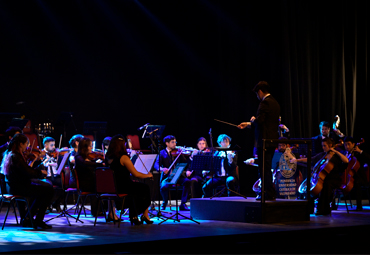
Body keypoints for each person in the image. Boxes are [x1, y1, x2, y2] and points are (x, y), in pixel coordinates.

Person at [238, 81, 280, 200]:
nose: (257, 96)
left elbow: (260, 121)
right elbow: (266, 123)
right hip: (272, 141)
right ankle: (268, 192)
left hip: (264, 141)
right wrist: (248, 124)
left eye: (257, 94)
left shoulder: (264, 103)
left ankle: (267, 193)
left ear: (260, 92)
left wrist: (252, 120)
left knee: (264, 168)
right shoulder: (275, 103)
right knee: (267, 167)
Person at [1, 133, 54, 229]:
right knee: (49, 190)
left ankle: (28, 218)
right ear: (21, 144)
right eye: (26, 144)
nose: (27, 146)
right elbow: (27, 172)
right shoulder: (16, 156)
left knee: (42, 191)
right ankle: (37, 220)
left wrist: (37, 170)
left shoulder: (10, 154)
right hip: (18, 188)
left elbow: (24, 171)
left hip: (14, 187)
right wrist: (40, 172)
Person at [292, 138, 349, 215]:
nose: (323, 148)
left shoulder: (336, 156)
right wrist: (297, 160)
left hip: (334, 179)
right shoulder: (323, 155)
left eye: (325, 146)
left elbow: (346, 161)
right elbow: (311, 159)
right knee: (310, 185)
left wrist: (335, 151)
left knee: (326, 185)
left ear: (330, 145)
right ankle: (309, 209)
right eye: (322, 146)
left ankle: (322, 209)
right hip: (323, 178)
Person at [105, 135, 153, 225]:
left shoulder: (108, 157)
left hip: (113, 187)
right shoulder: (123, 157)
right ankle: (142, 215)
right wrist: (148, 175)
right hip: (123, 187)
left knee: (137, 188)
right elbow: (136, 174)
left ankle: (137, 216)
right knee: (145, 188)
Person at [154, 135, 191, 211]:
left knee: (187, 181)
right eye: (172, 142)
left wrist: (188, 170)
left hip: (178, 175)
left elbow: (187, 162)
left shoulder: (178, 152)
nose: (175, 144)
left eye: (175, 142)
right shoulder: (162, 153)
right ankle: (165, 202)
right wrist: (162, 169)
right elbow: (156, 165)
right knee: (163, 187)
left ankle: (183, 204)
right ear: (167, 143)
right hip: (168, 176)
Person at [74, 137, 103, 217]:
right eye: (90, 146)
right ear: (85, 147)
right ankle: (97, 211)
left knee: (102, 185)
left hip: (90, 182)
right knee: (100, 187)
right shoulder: (78, 157)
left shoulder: (87, 157)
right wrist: (99, 164)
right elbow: (85, 163)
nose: (91, 148)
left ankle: (103, 210)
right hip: (85, 184)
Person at [342, 136, 370, 211]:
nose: (347, 147)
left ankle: (359, 206)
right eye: (345, 145)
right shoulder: (344, 154)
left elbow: (368, 158)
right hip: (347, 176)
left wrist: (360, 151)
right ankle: (333, 205)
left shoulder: (358, 153)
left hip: (359, 177)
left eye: (349, 144)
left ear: (353, 144)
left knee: (357, 183)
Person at [0, 126, 22, 194]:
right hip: (7, 179)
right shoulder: (1, 149)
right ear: (10, 137)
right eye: (17, 136)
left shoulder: (20, 149)